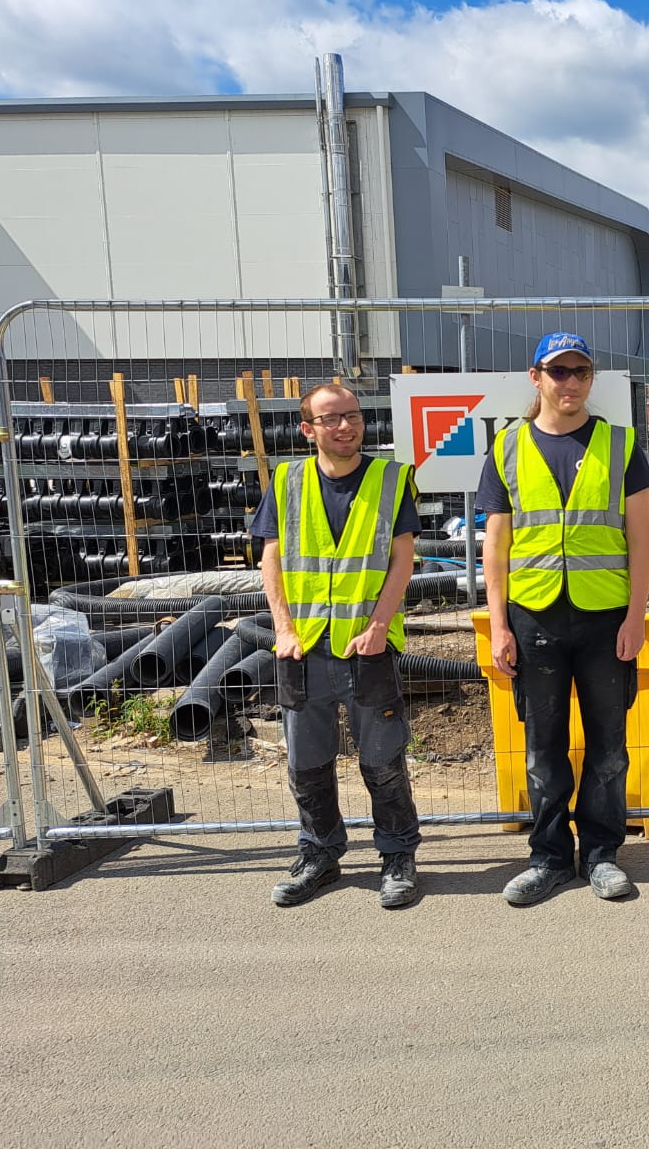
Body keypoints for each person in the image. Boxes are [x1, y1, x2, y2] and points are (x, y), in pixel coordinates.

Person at [478, 331, 649, 906]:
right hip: (534, 619)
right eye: (559, 372)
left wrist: (636, 618)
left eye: (580, 372)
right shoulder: (506, 448)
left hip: (605, 618)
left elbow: (639, 540)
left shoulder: (621, 446)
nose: (570, 382)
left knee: (609, 746)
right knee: (542, 747)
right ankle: (550, 858)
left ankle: (601, 854)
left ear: (591, 380)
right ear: (537, 379)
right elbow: (496, 548)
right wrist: (499, 625)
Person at [256, 383, 423, 909]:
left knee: (382, 759)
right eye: (331, 419)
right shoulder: (287, 480)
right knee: (306, 763)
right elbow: (271, 558)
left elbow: (402, 559)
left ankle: (398, 856)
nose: (345, 426)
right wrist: (282, 628)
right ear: (308, 429)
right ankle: (319, 856)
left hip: (368, 645)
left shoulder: (392, 478)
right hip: (302, 649)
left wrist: (379, 624)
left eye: (352, 416)